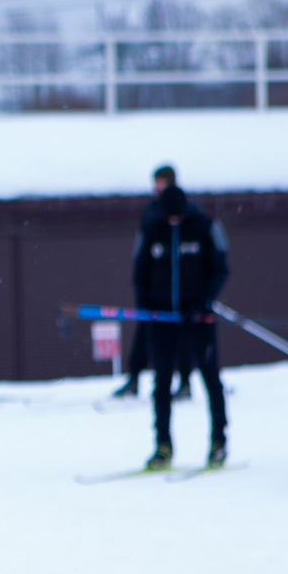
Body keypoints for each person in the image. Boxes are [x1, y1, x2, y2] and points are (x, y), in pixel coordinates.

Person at [132, 164, 229, 469]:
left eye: (177, 215)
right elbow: (140, 274)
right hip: (162, 320)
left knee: (210, 378)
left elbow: (220, 268)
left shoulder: (203, 226)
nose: (172, 220)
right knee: (161, 382)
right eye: (168, 216)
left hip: (197, 318)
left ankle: (218, 442)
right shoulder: (152, 229)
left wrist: (203, 302)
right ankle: (163, 446)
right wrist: (148, 309)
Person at [111, 167, 197, 402]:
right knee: (144, 333)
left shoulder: (186, 211)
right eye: (156, 185)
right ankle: (134, 378)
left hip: (179, 292)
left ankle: (185, 381)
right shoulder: (151, 212)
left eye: (162, 185)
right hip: (155, 290)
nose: (158, 190)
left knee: (182, 338)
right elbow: (143, 250)